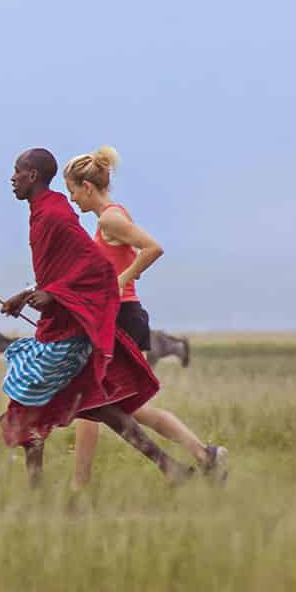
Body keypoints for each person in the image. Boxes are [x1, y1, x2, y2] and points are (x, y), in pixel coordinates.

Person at [0, 148, 193, 488]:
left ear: (32, 176)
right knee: (98, 406)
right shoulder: (43, 213)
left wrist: (54, 295)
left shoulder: (57, 216)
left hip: (71, 331)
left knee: (28, 400)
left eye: (17, 171)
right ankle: (170, 467)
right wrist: (27, 294)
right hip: (61, 325)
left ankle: (37, 494)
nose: (11, 178)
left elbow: (93, 268)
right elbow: (60, 271)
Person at [63, 147, 228, 487]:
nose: (73, 200)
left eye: (73, 191)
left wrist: (120, 281)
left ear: (87, 188)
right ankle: (204, 455)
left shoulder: (109, 218)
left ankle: (80, 486)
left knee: (88, 400)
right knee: (126, 408)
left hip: (122, 317)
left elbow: (153, 247)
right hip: (121, 316)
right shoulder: (110, 217)